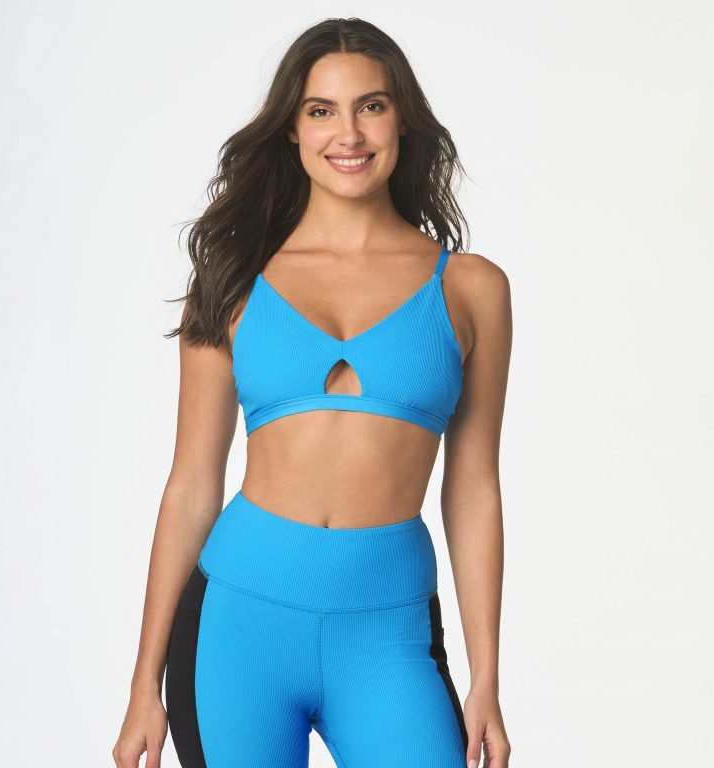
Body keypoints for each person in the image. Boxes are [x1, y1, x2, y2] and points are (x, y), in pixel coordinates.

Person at [113, 16, 512, 768]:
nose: (348, 134)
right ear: (292, 130)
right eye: (321, 110)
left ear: (402, 120)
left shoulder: (471, 288)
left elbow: (473, 489)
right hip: (236, 629)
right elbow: (192, 484)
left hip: (388, 631)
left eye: (372, 105)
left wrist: (486, 676)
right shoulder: (234, 280)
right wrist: (143, 684)